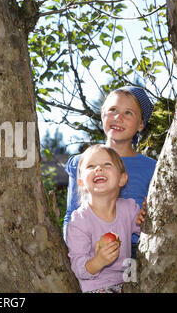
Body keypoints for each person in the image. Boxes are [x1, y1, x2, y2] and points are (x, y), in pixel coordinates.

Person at [63, 86, 156, 258]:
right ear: (102, 115)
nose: (118, 117)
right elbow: (71, 212)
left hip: (133, 252)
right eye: (112, 110)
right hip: (88, 249)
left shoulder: (152, 169)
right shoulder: (81, 163)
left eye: (128, 113)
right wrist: (73, 250)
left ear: (141, 124)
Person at [66, 144, 145, 293]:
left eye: (107, 164)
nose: (99, 169)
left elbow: (146, 232)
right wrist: (99, 261)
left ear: (122, 179)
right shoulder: (79, 220)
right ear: (81, 182)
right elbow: (78, 267)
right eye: (91, 166)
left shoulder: (129, 209)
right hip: (96, 287)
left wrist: (145, 217)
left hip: (126, 283)